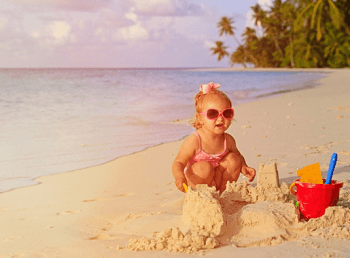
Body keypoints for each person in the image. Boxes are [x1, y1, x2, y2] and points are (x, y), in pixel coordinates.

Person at [172, 82, 256, 194]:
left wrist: (244, 167)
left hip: (217, 179)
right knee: (204, 167)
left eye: (226, 113)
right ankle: (200, 195)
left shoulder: (228, 140)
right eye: (212, 114)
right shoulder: (195, 140)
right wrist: (179, 177)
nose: (221, 119)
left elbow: (238, 155)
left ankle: (222, 193)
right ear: (199, 118)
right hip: (197, 180)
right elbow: (179, 162)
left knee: (234, 159)